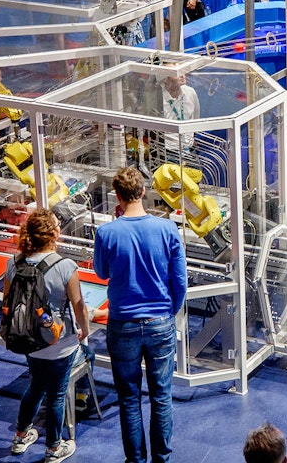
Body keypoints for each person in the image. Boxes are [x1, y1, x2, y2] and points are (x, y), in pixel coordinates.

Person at [92, 166, 187, 463]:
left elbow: (101, 272)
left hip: (122, 324)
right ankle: (162, 459)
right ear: (144, 191)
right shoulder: (167, 230)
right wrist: (169, 311)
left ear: (117, 196)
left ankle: (135, 460)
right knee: (161, 397)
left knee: (129, 399)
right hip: (160, 322)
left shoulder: (106, 233)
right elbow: (180, 281)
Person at [7, 209, 91, 462]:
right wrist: (84, 331)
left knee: (35, 386)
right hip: (60, 344)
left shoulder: (13, 263)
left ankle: (21, 436)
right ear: (55, 234)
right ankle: (54, 448)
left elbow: (7, 303)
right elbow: (78, 306)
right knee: (57, 395)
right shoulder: (65, 266)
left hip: (28, 341)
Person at [159, 74, 199, 153]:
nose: (182, 76)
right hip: (168, 151)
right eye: (176, 73)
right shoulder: (158, 99)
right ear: (165, 79)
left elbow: (195, 120)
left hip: (190, 149)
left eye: (183, 72)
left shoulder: (190, 92)